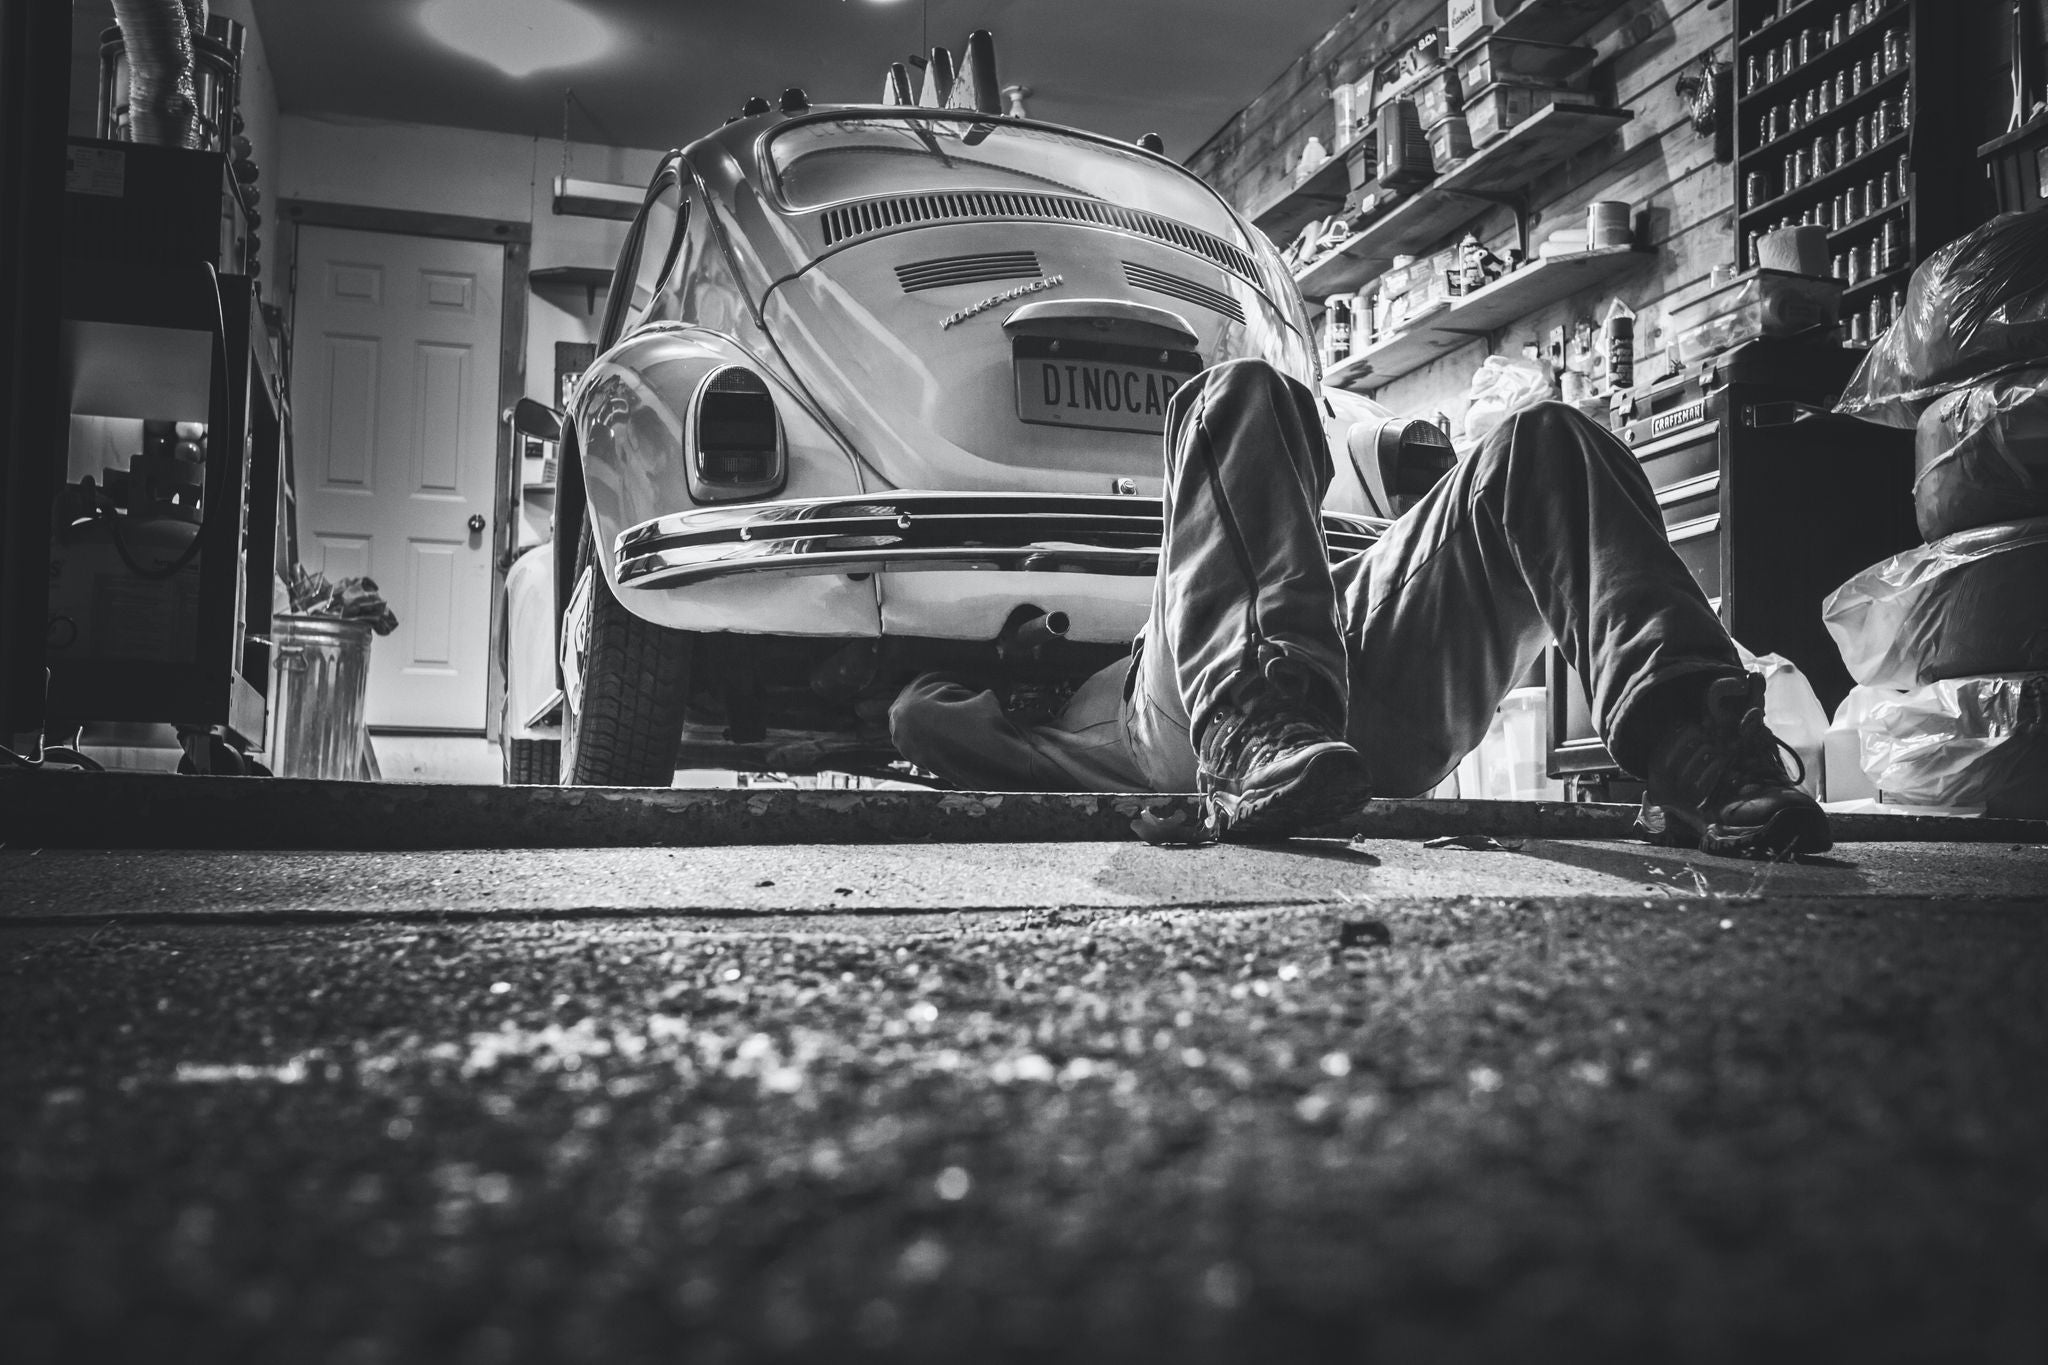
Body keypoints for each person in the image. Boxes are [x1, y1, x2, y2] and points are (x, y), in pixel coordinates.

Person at [889, 358, 1830, 859]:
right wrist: (1014, 670)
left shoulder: (1216, 583)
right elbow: (916, 712)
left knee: (1546, 442)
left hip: (1347, 695)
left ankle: (1698, 750)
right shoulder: (1046, 715)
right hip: (1200, 733)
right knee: (1240, 391)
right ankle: (1258, 731)